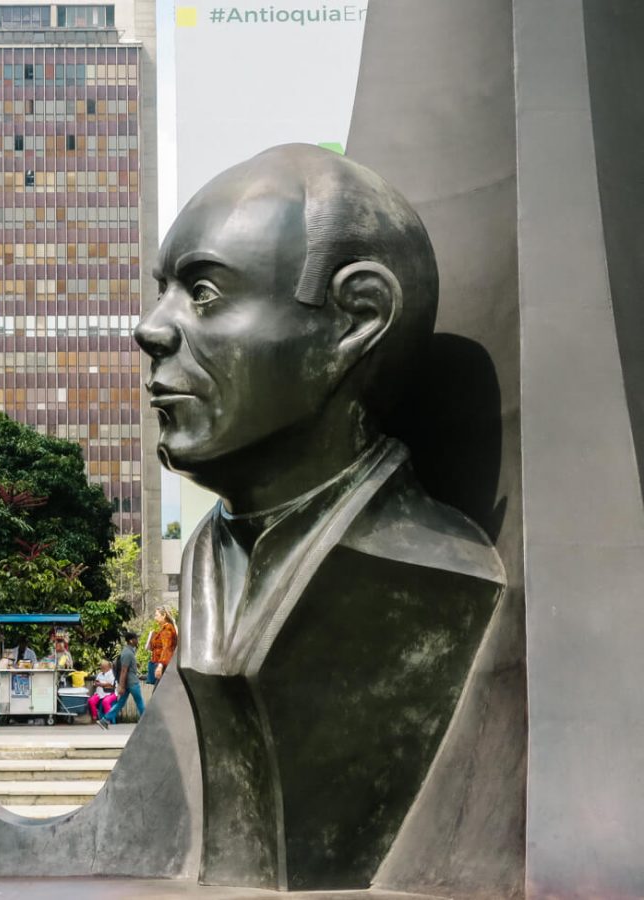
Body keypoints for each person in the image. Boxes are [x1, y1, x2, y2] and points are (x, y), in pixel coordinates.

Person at [135, 143, 504, 886]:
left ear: (356, 320)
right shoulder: (213, 557)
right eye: (164, 291)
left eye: (203, 293)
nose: (151, 329)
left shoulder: (439, 574)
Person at [104, 632, 145, 725]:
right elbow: (123, 670)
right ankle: (146, 721)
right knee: (139, 702)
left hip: (127, 683)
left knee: (120, 703)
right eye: (136, 639)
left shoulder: (129, 652)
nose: (137, 641)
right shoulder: (127, 653)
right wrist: (121, 686)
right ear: (131, 641)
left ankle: (104, 720)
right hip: (132, 683)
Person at [147, 608, 177, 684]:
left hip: (163, 666)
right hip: (161, 664)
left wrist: (160, 666)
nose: (155, 618)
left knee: (158, 693)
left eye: (156, 615)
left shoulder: (167, 629)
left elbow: (166, 648)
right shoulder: (164, 629)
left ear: (164, 615)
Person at [87, 660, 116, 725]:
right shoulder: (100, 674)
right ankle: (94, 718)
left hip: (108, 693)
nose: (101, 668)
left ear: (108, 667)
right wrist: (96, 683)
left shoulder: (111, 673)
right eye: (101, 667)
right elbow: (96, 682)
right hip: (98, 693)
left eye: (103, 667)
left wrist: (101, 684)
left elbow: (111, 684)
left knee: (105, 702)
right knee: (91, 701)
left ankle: (108, 719)